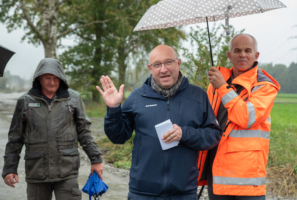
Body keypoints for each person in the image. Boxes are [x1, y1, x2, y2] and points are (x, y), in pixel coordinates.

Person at [96, 44, 223, 200]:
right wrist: (114, 108)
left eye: (168, 62)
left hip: (183, 193)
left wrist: (185, 134)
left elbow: (214, 135)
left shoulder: (198, 96)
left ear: (178, 63)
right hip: (142, 193)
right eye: (157, 65)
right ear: (150, 68)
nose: (163, 69)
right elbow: (118, 136)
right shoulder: (137, 98)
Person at [2, 58, 103, 200]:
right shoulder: (25, 101)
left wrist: (96, 159)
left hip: (67, 171)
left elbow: (84, 132)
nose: (52, 82)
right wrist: (9, 168)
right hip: (37, 172)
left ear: (62, 78)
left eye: (56, 78)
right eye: (48, 78)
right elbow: (15, 139)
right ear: (39, 79)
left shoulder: (73, 99)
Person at [197, 33, 280, 200]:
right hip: (218, 170)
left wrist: (222, 88)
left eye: (248, 50)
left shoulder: (264, 86)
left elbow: (247, 118)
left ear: (256, 55)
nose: (242, 55)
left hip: (247, 177)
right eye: (237, 50)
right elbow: (206, 120)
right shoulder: (217, 82)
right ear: (229, 55)